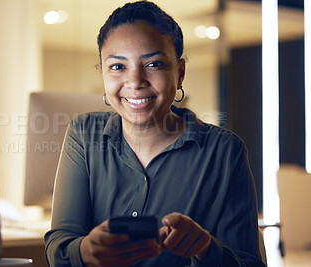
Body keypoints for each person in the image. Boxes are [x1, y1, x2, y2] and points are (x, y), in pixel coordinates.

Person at [45, 1, 265, 266]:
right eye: (117, 66)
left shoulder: (224, 151)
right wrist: (85, 251)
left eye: (153, 64)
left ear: (180, 73)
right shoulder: (83, 134)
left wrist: (207, 249)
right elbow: (59, 245)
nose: (135, 81)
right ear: (103, 72)